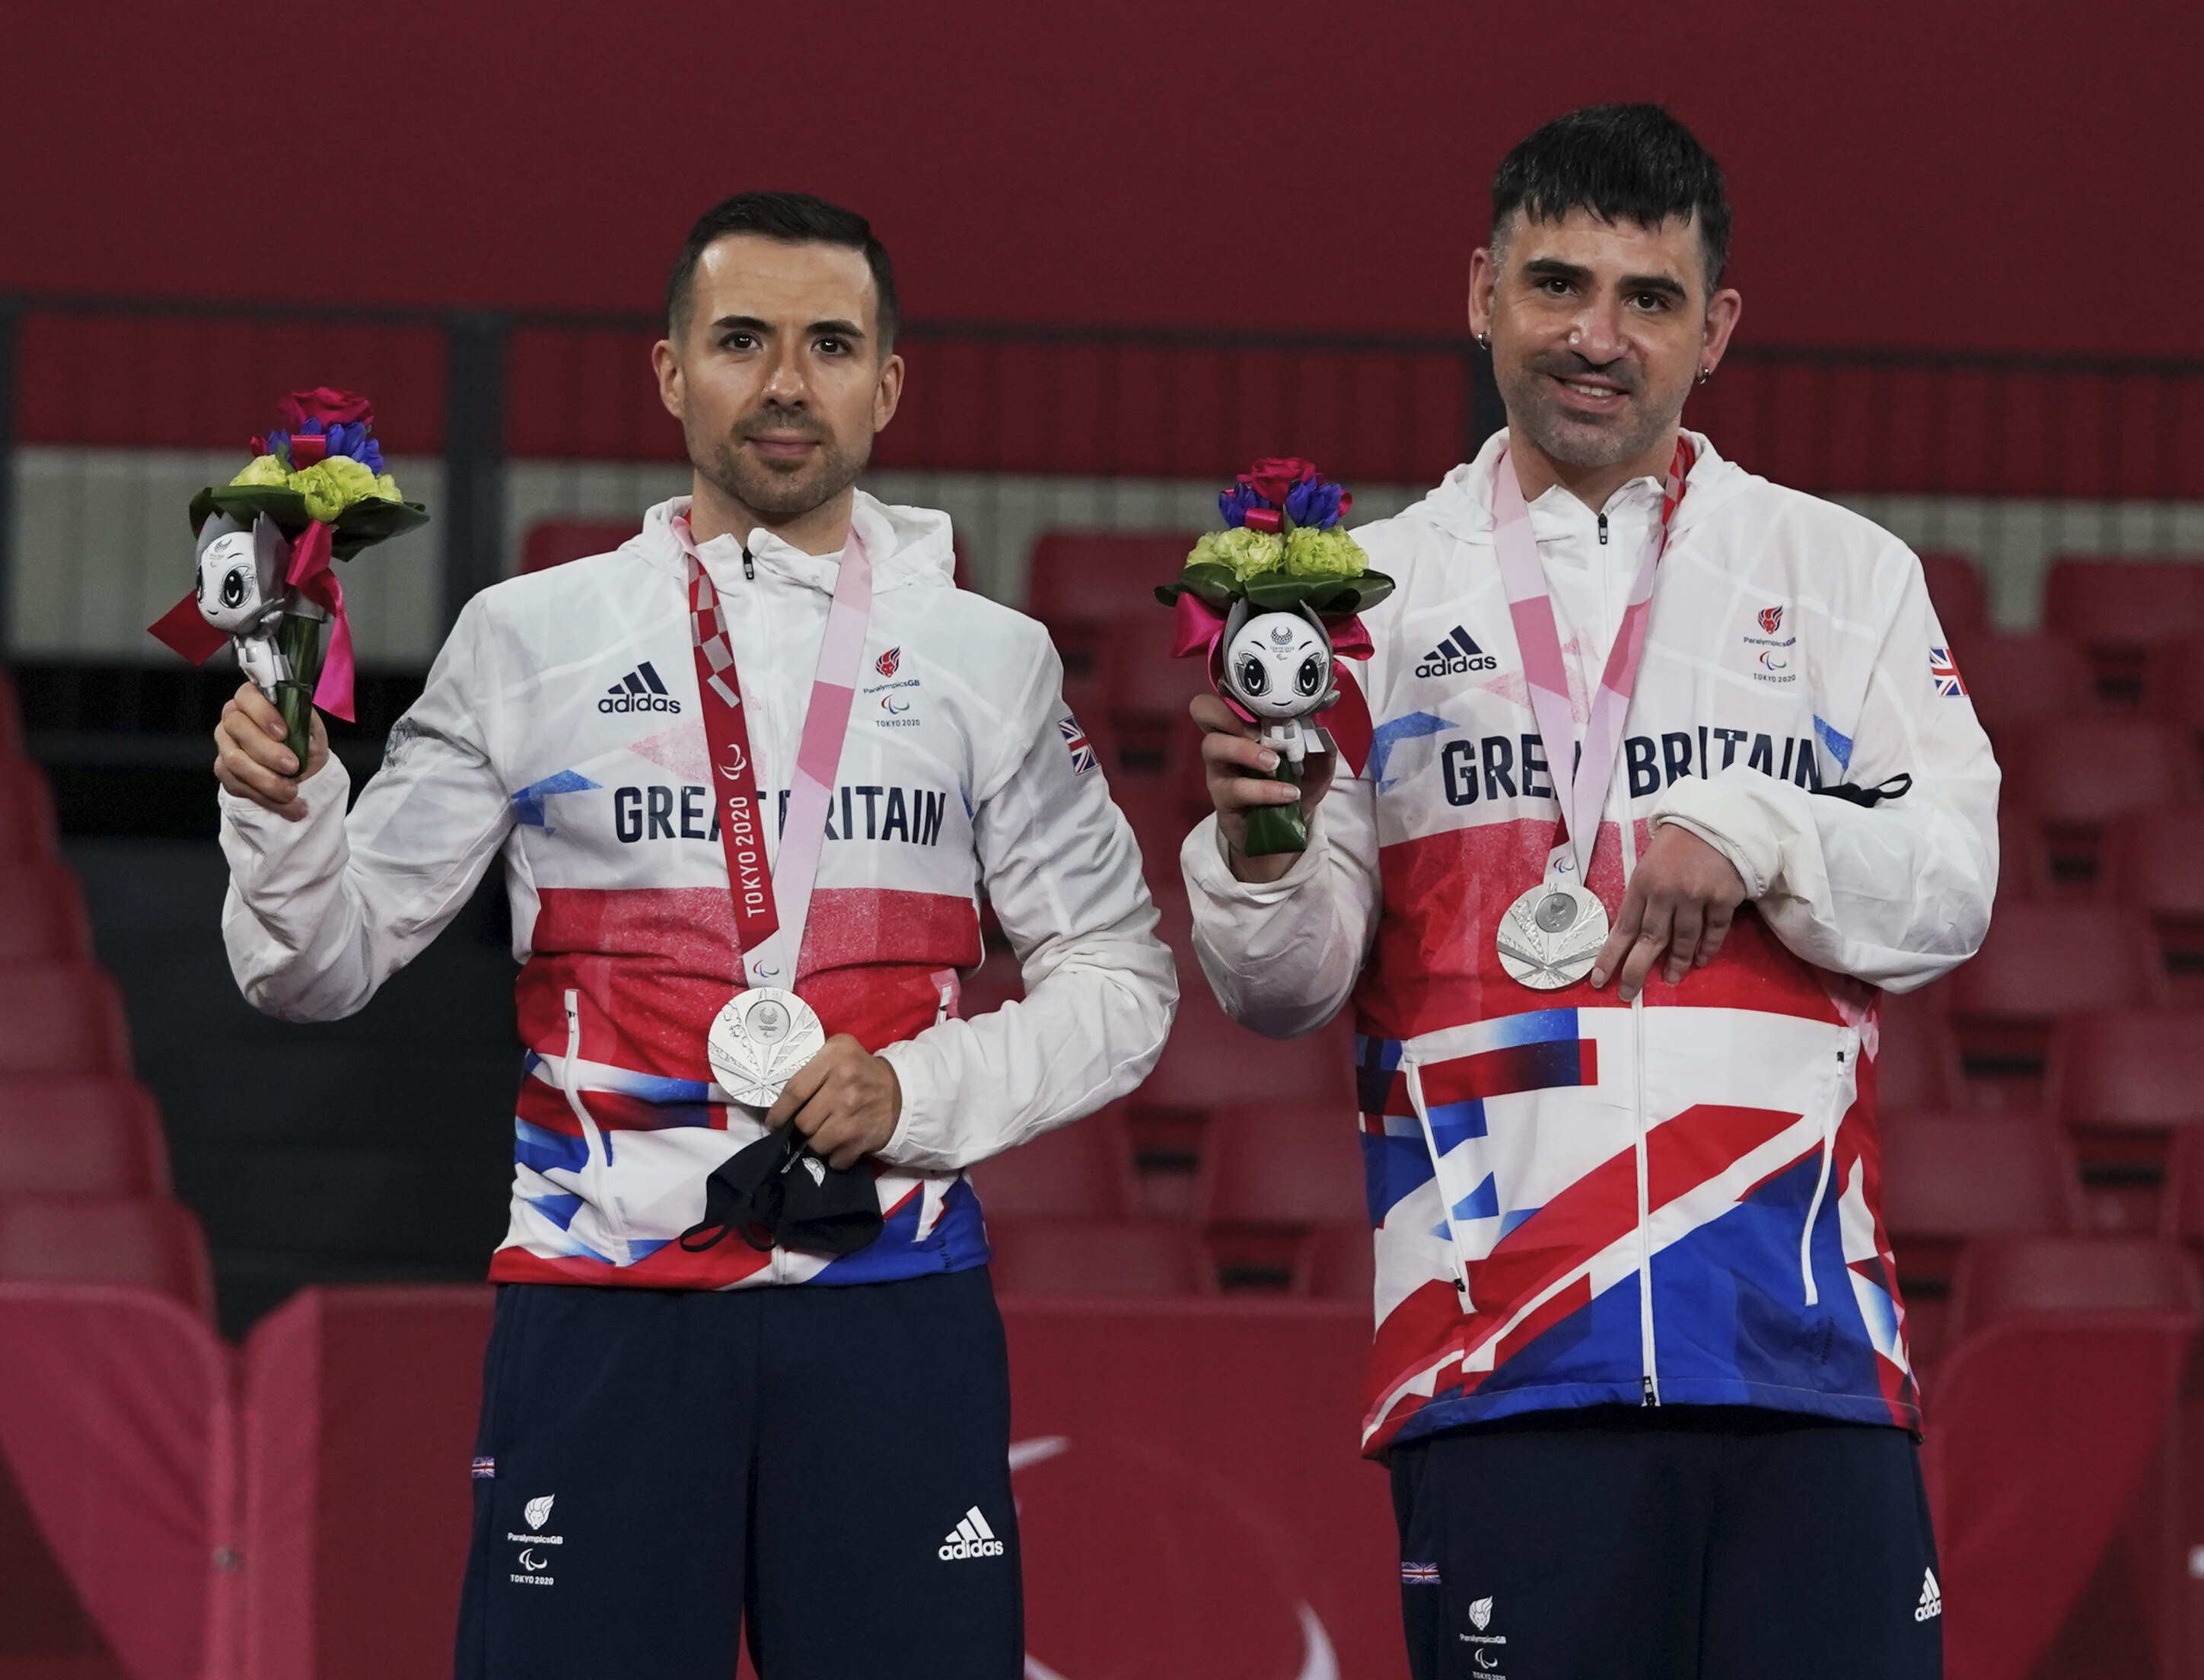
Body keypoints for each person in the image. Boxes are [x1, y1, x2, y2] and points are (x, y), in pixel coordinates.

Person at [213, 190, 1177, 1679]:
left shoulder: (991, 660)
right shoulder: (526, 637)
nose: (785, 383)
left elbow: (1121, 978)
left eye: (828, 345)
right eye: (740, 340)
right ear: (669, 371)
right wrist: (285, 814)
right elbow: (311, 967)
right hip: (600, 1306)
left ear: (886, 383)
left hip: (887, 1306)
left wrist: (921, 1095)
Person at [1182, 106, 1994, 1680]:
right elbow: (1282, 986)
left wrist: (1749, 826)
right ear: (1478, 292)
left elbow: (1947, 886)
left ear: (1717, 330)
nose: (1595, 339)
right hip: (1499, 1359)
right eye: (1554, 286)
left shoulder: (1841, 576)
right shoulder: (1364, 596)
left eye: (1647, 299)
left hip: (1801, 1352)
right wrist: (1258, 848)